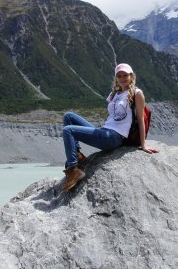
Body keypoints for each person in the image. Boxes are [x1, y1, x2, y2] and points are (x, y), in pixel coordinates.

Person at [61, 63, 159, 192]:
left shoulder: (137, 93)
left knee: (68, 131)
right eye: (119, 76)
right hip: (104, 131)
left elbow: (141, 119)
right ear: (116, 78)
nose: (122, 78)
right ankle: (78, 156)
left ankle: (73, 170)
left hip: (114, 137)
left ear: (131, 76)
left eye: (125, 75)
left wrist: (143, 145)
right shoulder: (116, 93)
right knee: (69, 116)